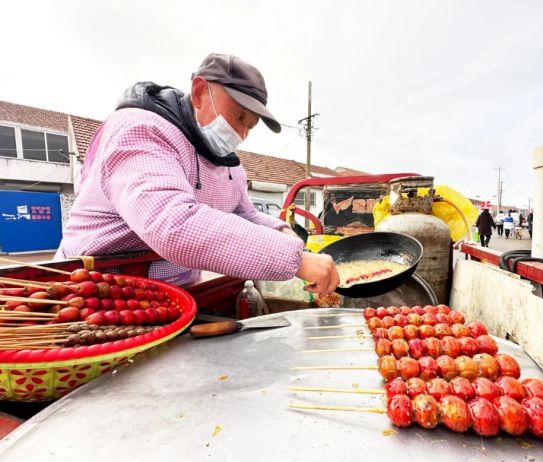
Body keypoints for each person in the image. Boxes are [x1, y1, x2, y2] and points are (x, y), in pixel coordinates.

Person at [56, 53, 340, 296]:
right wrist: (294, 259)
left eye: (250, 127)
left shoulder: (228, 165)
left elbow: (244, 214)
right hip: (97, 296)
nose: (240, 134)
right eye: (239, 116)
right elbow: (172, 223)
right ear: (199, 92)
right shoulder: (140, 131)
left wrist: (281, 231)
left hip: (179, 298)